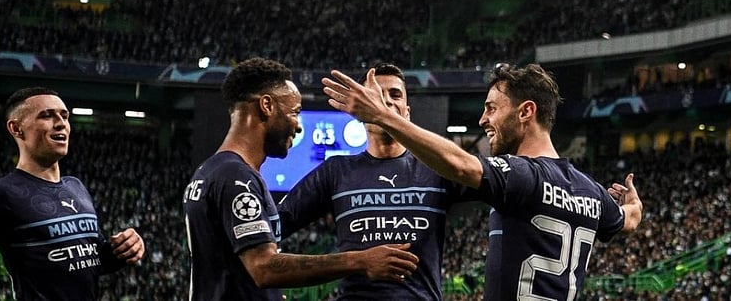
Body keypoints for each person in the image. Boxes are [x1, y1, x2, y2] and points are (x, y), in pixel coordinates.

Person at [323, 62, 643, 301]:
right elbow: (628, 221)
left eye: (491, 108)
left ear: (525, 112)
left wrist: (383, 116)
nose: (482, 119)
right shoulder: (591, 192)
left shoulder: (521, 175)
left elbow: (460, 166)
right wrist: (634, 205)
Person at [183, 57, 418, 301]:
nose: (297, 127)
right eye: (295, 112)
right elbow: (263, 268)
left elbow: (233, 266)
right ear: (266, 105)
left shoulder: (210, 171)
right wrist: (360, 260)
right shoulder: (236, 177)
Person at [278, 62, 471, 300]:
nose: (385, 101)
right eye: (376, 95)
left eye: (395, 95)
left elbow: (491, 182)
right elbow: (270, 230)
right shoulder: (336, 171)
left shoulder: (438, 169)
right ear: (360, 111)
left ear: (407, 112)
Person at [0, 87, 145, 300]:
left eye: (64, 116)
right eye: (46, 115)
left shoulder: (76, 187)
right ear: (16, 128)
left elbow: (91, 261)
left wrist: (123, 250)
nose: (61, 123)